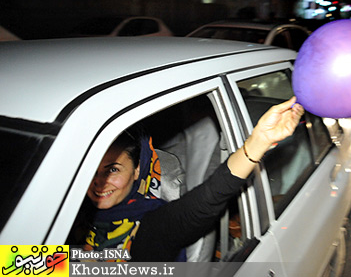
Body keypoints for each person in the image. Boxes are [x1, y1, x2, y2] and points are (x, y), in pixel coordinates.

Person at [70, 97, 304, 262]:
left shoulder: (151, 228)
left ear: (136, 171)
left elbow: (208, 199)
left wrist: (258, 142)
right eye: (91, 171)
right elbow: (38, 264)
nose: (99, 183)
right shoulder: (68, 213)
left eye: (112, 170)